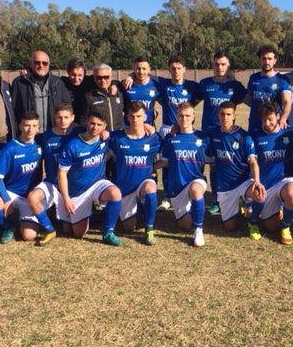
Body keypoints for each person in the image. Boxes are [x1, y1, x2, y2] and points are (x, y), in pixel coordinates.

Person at [56, 109, 124, 246]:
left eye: (99, 125)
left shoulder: (106, 138)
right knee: (77, 233)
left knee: (115, 193)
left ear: (104, 126)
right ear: (86, 122)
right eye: (92, 123)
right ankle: (89, 214)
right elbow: (61, 173)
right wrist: (66, 198)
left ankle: (108, 232)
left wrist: (147, 125)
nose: (95, 127)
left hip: (98, 183)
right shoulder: (73, 145)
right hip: (78, 191)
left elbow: (127, 133)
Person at [0, 112, 50, 244]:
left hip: (30, 196)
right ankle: (10, 226)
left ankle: (24, 219)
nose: (30, 129)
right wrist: (6, 199)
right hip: (11, 192)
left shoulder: (40, 143)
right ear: (20, 126)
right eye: (26, 125)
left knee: (29, 236)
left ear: (38, 127)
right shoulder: (10, 148)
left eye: (34, 126)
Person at [26, 103, 82, 246]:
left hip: (72, 187)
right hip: (52, 183)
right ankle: (49, 229)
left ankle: (60, 215)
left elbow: (98, 130)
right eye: (59, 117)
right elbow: (27, 141)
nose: (63, 121)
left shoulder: (79, 133)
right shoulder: (45, 137)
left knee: (70, 230)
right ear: (54, 118)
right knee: (33, 197)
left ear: (73, 117)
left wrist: (105, 133)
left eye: (66, 117)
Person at [249, 101, 293, 244]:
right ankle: (257, 217)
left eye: (270, 119)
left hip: (284, 181)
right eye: (264, 120)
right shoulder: (255, 137)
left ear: (278, 116)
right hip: (265, 186)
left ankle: (285, 226)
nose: (267, 123)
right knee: (271, 227)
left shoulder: (289, 133)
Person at [199, 51, 247, 214]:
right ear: (213, 65)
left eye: (223, 64)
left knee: (230, 164)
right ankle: (216, 200)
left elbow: (249, 100)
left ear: (228, 65)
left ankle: (237, 196)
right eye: (217, 64)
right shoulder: (205, 84)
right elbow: (191, 101)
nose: (220, 67)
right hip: (209, 133)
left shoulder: (235, 86)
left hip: (228, 134)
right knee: (212, 166)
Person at [108, 101, 161, 245]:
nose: (135, 120)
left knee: (151, 188)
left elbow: (168, 157)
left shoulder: (154, 138)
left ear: (145, 117)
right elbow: (103, 154)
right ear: (127, 117)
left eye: (139, 116)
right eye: (132, 116)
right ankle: (138, 210)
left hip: (143, 183)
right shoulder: (117, 138)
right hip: (124, 188)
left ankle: (149, 229)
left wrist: (152, 168)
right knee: (128, 228)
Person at [206, 101, 266, 231]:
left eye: (228, 114)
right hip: (225, 186)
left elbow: (253, 162)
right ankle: (240, 203)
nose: (225, 117)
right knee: (229, 227)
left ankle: (253, 221)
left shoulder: (244, 136)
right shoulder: (212, 134)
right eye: (222, 114)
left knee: (259, 194)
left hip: (243, 181)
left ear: (234, 116)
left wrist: (257, 181)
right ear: (218, 115)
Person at [157, 102, 209, 247]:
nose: (184, 119)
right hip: (177, 187)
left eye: (187, 116)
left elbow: (214, 161)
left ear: (193, 117)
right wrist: (147, 169)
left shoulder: (203, 138)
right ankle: (194, 208)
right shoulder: (170, 139)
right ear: (177, 117)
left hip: (196, 180)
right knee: (184, 226)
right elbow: (164, 162)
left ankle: (198, 229)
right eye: (181, 116)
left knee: (195, 189)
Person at [156, 55, 202, 210]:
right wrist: (130, 75)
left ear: (184, 69)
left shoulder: (192, 86)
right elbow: (146, 75)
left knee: (185, 161)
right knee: (166, 162)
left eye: (179, 68)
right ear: (169, 70)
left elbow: (200, 97)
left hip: (184, 128)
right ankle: (167, 196)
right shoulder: (164, 84)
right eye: (173, 68)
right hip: (167, 128)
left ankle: (190, 191)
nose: (176, 71)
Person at [10, 50, 71, 132]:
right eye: (37, 63)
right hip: (29, 133)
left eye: (44, 63)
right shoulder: (20, 83)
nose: (41, 65)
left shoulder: (58, 83)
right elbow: (13, 110)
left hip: (52, 133)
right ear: (31, 64)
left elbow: (67, 107)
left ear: (49, 65)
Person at [245, 45, 292, 132]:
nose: (267, 62)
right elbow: (249, 98)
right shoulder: (253, 78)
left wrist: (283, 118)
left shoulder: (282, 80)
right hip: (255, 125)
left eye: (270, 59)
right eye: (264, 59)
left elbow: (287, 102)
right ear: (260, 60)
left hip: (273, 126)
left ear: (275, 60)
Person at [80, 63, 127, 130]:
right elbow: (83, 120)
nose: (103, 80)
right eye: (99, 78)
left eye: (106, 77)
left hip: (118, 134)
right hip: (100, 135)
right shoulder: (89, 96)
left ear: (111, 76)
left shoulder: (120, 91)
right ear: (94, 78)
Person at [122, 56, 161, 125]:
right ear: (134, 69)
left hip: (148, 127)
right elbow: (114, 84)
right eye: (138, 68)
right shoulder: (126, 84)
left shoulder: (156, 85)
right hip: (129, 127)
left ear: (149, 69)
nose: (141, 72)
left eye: (144, 69)